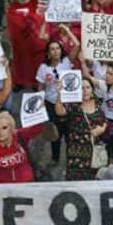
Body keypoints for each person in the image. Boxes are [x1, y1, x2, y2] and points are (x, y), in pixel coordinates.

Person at [35, 25, 81, 165]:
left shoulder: (67, 62)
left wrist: (67, 30)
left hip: (67, 103)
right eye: (52, 49)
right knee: (54, 133)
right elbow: (40, 87)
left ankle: (71, 158)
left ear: (61, 51)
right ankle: (55, 158)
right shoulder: (43, 68)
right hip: (50, 103)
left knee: (69, 132)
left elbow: (77, 44)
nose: (55, 52)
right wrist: (40, 102)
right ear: (48, 53)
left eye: (58, 49)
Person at [54, 73, 107, 180]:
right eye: (82, 88)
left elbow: (104, 120)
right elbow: (60, 112)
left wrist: (102, 129)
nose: (85, 90)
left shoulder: (98, 104)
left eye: (88, 87)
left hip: (95, 152)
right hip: (77, 154)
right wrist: (59, 94)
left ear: (92, 89)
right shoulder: (74, 105)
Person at [0, 112, 44, 183]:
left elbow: (37, 128)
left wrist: (40, 113)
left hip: (26, 181)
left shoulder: (20, 135)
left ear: (11, 128)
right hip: (4, 185)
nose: (0, 132)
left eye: (4, 128)